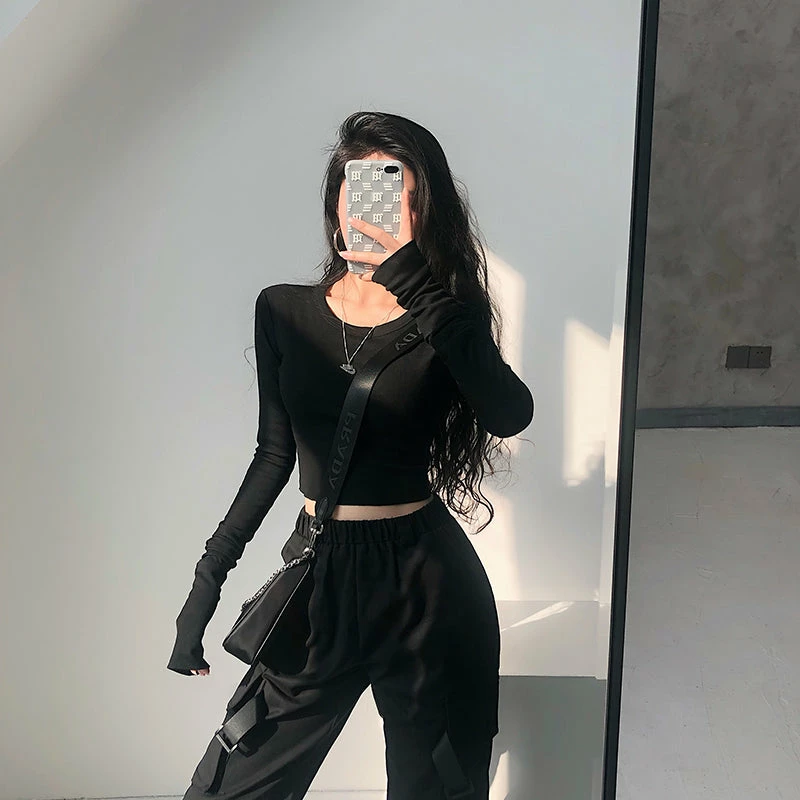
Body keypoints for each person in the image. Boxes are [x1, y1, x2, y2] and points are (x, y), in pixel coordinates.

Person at [168, 110, 534, 799]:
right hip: (321, 574)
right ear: (336, 199)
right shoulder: (283, 311)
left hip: (427, 581)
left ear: (424, 209)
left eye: (399, 192)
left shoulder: (445, 317)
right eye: (358, 187)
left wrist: (418, 285)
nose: (375, 208)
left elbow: (510, 413)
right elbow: (273, 454)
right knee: (230, 785)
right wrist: (206, 582)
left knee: (435, 789)